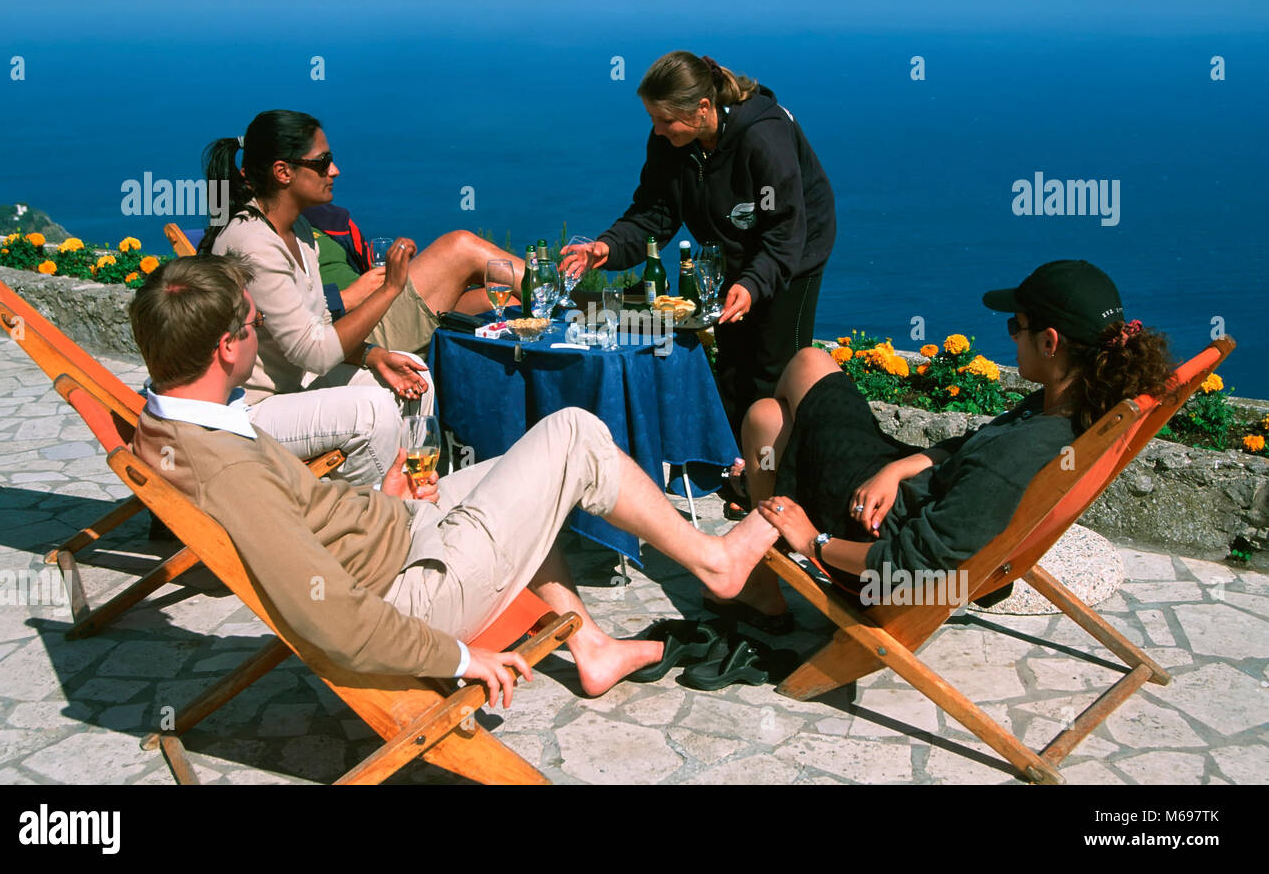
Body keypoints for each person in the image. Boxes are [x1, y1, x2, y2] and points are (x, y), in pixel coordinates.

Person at [127, 254, 782, 703]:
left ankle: (594, 648)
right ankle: (717, 561)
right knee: (575, 434)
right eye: (251, 322)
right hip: (413, 596)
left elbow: (308, 525)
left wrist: (379, 504)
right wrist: (462, 659)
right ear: (225, 348)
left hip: (396, 540)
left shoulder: (170, 421)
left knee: (525, 475)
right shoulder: (229, 471)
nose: (260, 325)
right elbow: (335, 618)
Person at [730, 260, 1172, 616]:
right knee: (767, 419)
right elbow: (974, 448)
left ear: (1050, 342)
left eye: (1016, 327)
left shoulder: (1019, 457)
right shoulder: (1080, 408)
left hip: (869, 535)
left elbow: (909, 564)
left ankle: (762, 573)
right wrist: (899, 467)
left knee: (803, 368)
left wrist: (812, 541)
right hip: (899, 494)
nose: (1013, 338)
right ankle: (762, 570)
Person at [195, 110, 522, 484]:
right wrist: (389, 290)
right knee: (372, 409)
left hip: (295, 385)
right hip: (252, 407)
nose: (334, 171)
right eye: (322, 163)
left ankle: (418, 491)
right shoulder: (253, 245)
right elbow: (314, 352)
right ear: (283, 172)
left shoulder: (297, 229)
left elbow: (317, 326)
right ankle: (381, 518)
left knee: (416, 379)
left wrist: (375, 355)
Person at [563, 52, 837, 447]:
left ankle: (778, 479)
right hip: (733, 249)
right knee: (731, 362)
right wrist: (608, 246)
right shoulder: (673, 141)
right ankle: (732, 461)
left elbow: (783, 229)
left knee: (774, 368)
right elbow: (655, 212)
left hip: (794, 251)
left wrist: (755, 283)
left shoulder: (764, 136)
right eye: (653, 119)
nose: (657, 131)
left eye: (665, 120)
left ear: (703, 108)